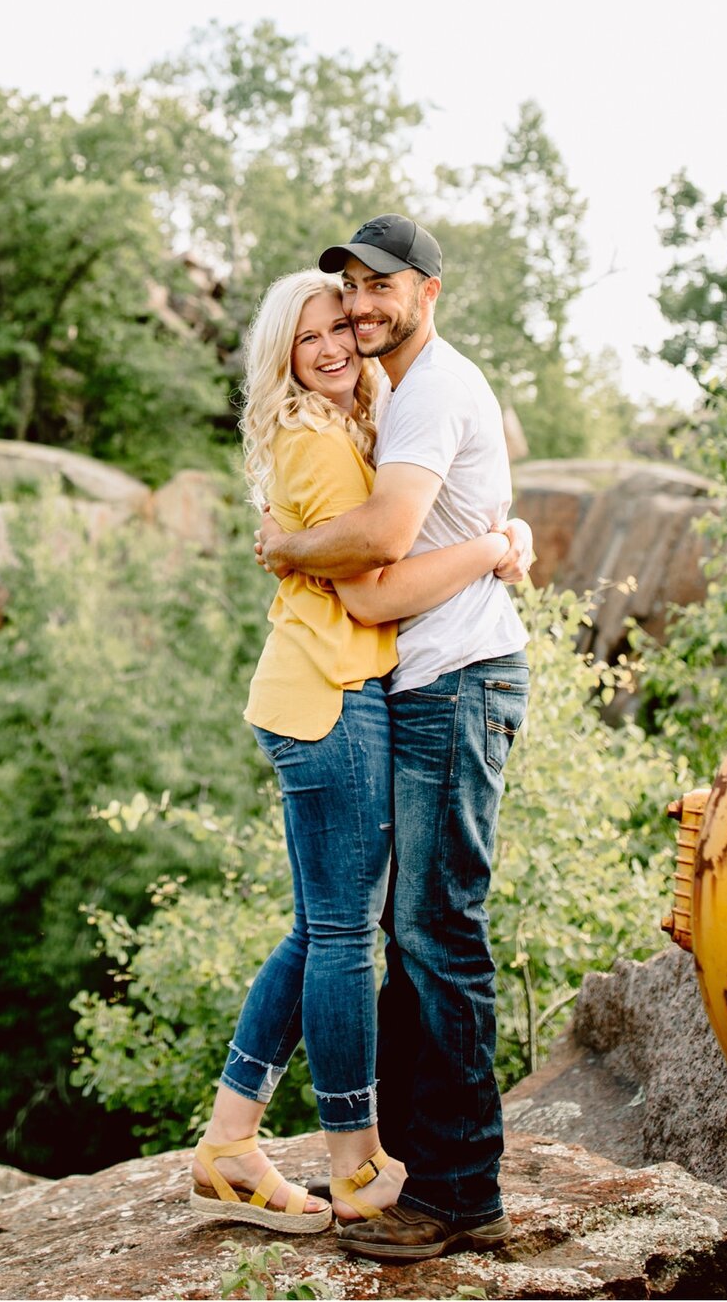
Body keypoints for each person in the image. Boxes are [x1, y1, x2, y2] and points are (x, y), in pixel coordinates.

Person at [190, 269, 531, 1241]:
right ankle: (353, 1161)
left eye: (341, 323)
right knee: (344, 934)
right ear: (282, 358)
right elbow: (375, 580)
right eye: (310, 338)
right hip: (329, 692)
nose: (335, 344)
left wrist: (498, 532)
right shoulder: (317, 439)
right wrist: (496, 545)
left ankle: (229, 1139)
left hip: (330, 687)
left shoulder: (354, 426)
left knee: (321, 929)